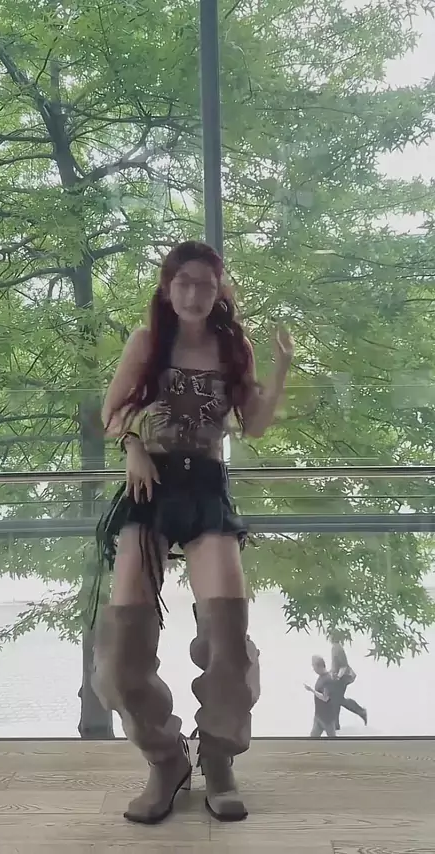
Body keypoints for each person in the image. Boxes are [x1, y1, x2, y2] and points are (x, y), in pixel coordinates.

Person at [90, 240, 294, 825]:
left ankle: (220, 759)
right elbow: (112, 413)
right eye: (183, 282)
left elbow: (253, 426)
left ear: (218, 290)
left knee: (229, 636)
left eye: (205, 284)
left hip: (205, 490)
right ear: (167, 286)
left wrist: (280, 370)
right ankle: (165, 760)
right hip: (149, 491)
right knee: (122, 652)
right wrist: (133, 446)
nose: (194, 293)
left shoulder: (233, 347)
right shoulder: (147, 341)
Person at [330, 634, 367, 729]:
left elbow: (344, 665)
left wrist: (338, 677)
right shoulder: (335, 648)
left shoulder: (338, 649)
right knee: (337, 700)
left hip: (342, 678)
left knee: (336, 700)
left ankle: (360, 711)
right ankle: (336, 724)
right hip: (338, 677)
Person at [304, 655, 338, 738]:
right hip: (318, 717)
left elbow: (325, 698)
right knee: (313, 738)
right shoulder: (322, 677)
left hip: (327, 719)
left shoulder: (328, 679)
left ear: (319, 666)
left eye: (314, 667)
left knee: (333, 741)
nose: (313, 669)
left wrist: (311, 690)